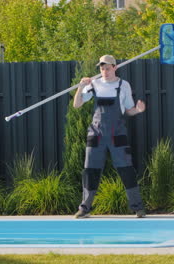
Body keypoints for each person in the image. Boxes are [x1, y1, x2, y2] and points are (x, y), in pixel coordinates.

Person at [73, 55, 146, 218]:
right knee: (90, 170)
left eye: (107, 68)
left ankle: (138, 208)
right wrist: (80, 87)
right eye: (101, 68)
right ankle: (84, 208)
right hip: (96, 134)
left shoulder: (123, 85)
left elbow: (129, 110)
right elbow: (77, 105)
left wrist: (139, 110)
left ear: (115, 67)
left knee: (126, 169)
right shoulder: (94, 84)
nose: (104, 71)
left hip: (117, 134)